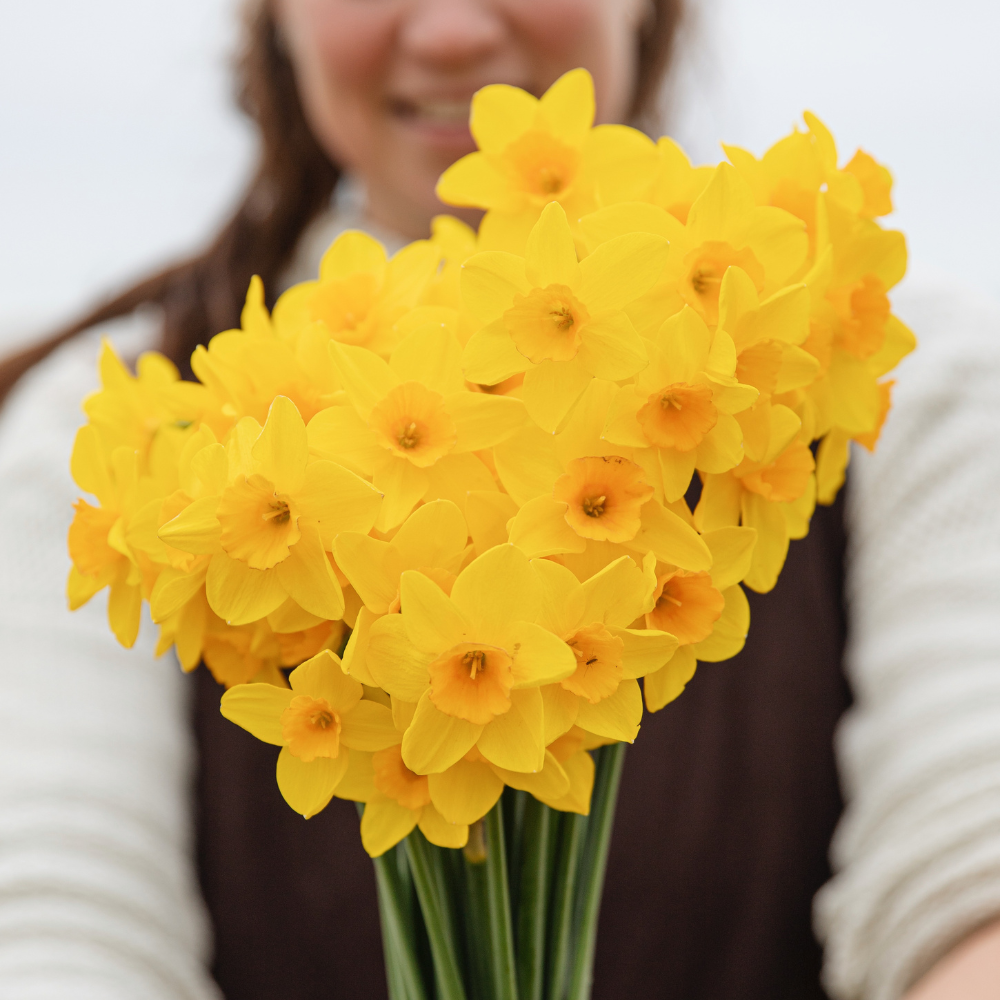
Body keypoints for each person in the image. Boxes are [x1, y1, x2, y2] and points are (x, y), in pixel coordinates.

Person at [1, 1, 999, 998]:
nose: (449, 33)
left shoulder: (889, 379)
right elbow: (57, 929)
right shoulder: (113, 439)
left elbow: (977, 862)